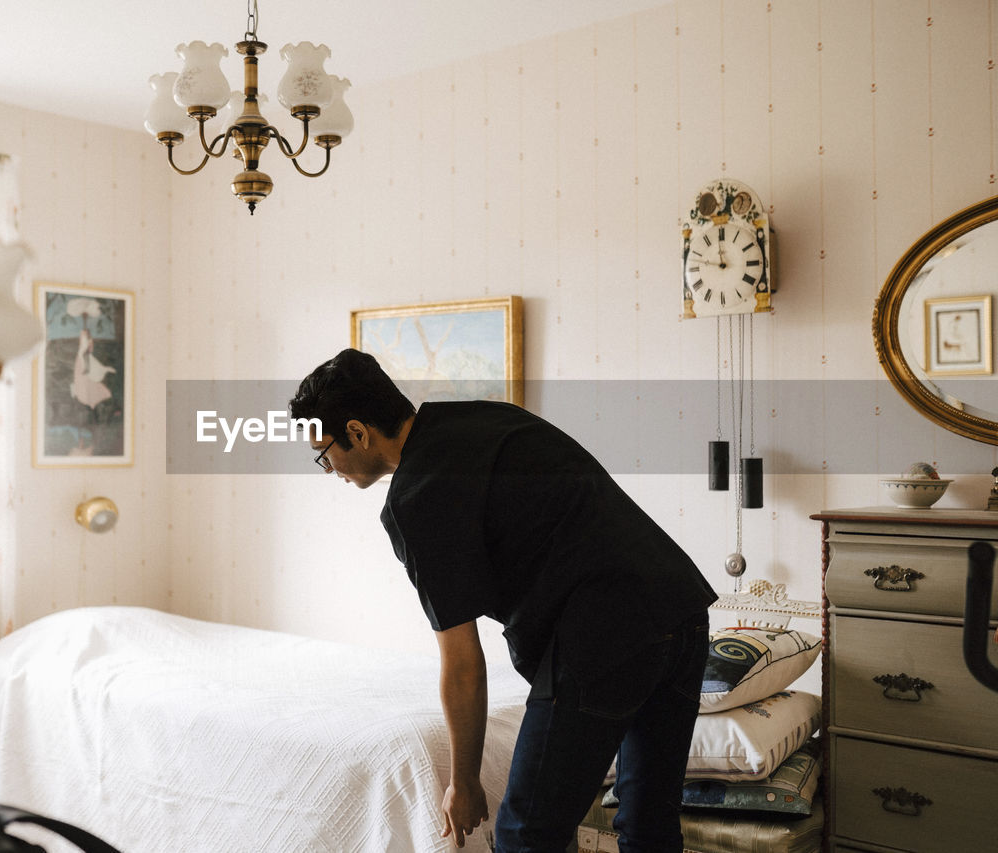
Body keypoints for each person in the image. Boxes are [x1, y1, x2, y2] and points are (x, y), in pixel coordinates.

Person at [289, 349, 717, 853]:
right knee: (649, 825)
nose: (327, 468)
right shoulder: (485, 416)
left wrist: (463, 781)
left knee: (525, 836)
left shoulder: (415, 497)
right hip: (682, 607)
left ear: (358, 433)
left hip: (605, 633)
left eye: (324, 452)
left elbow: (463, 662)